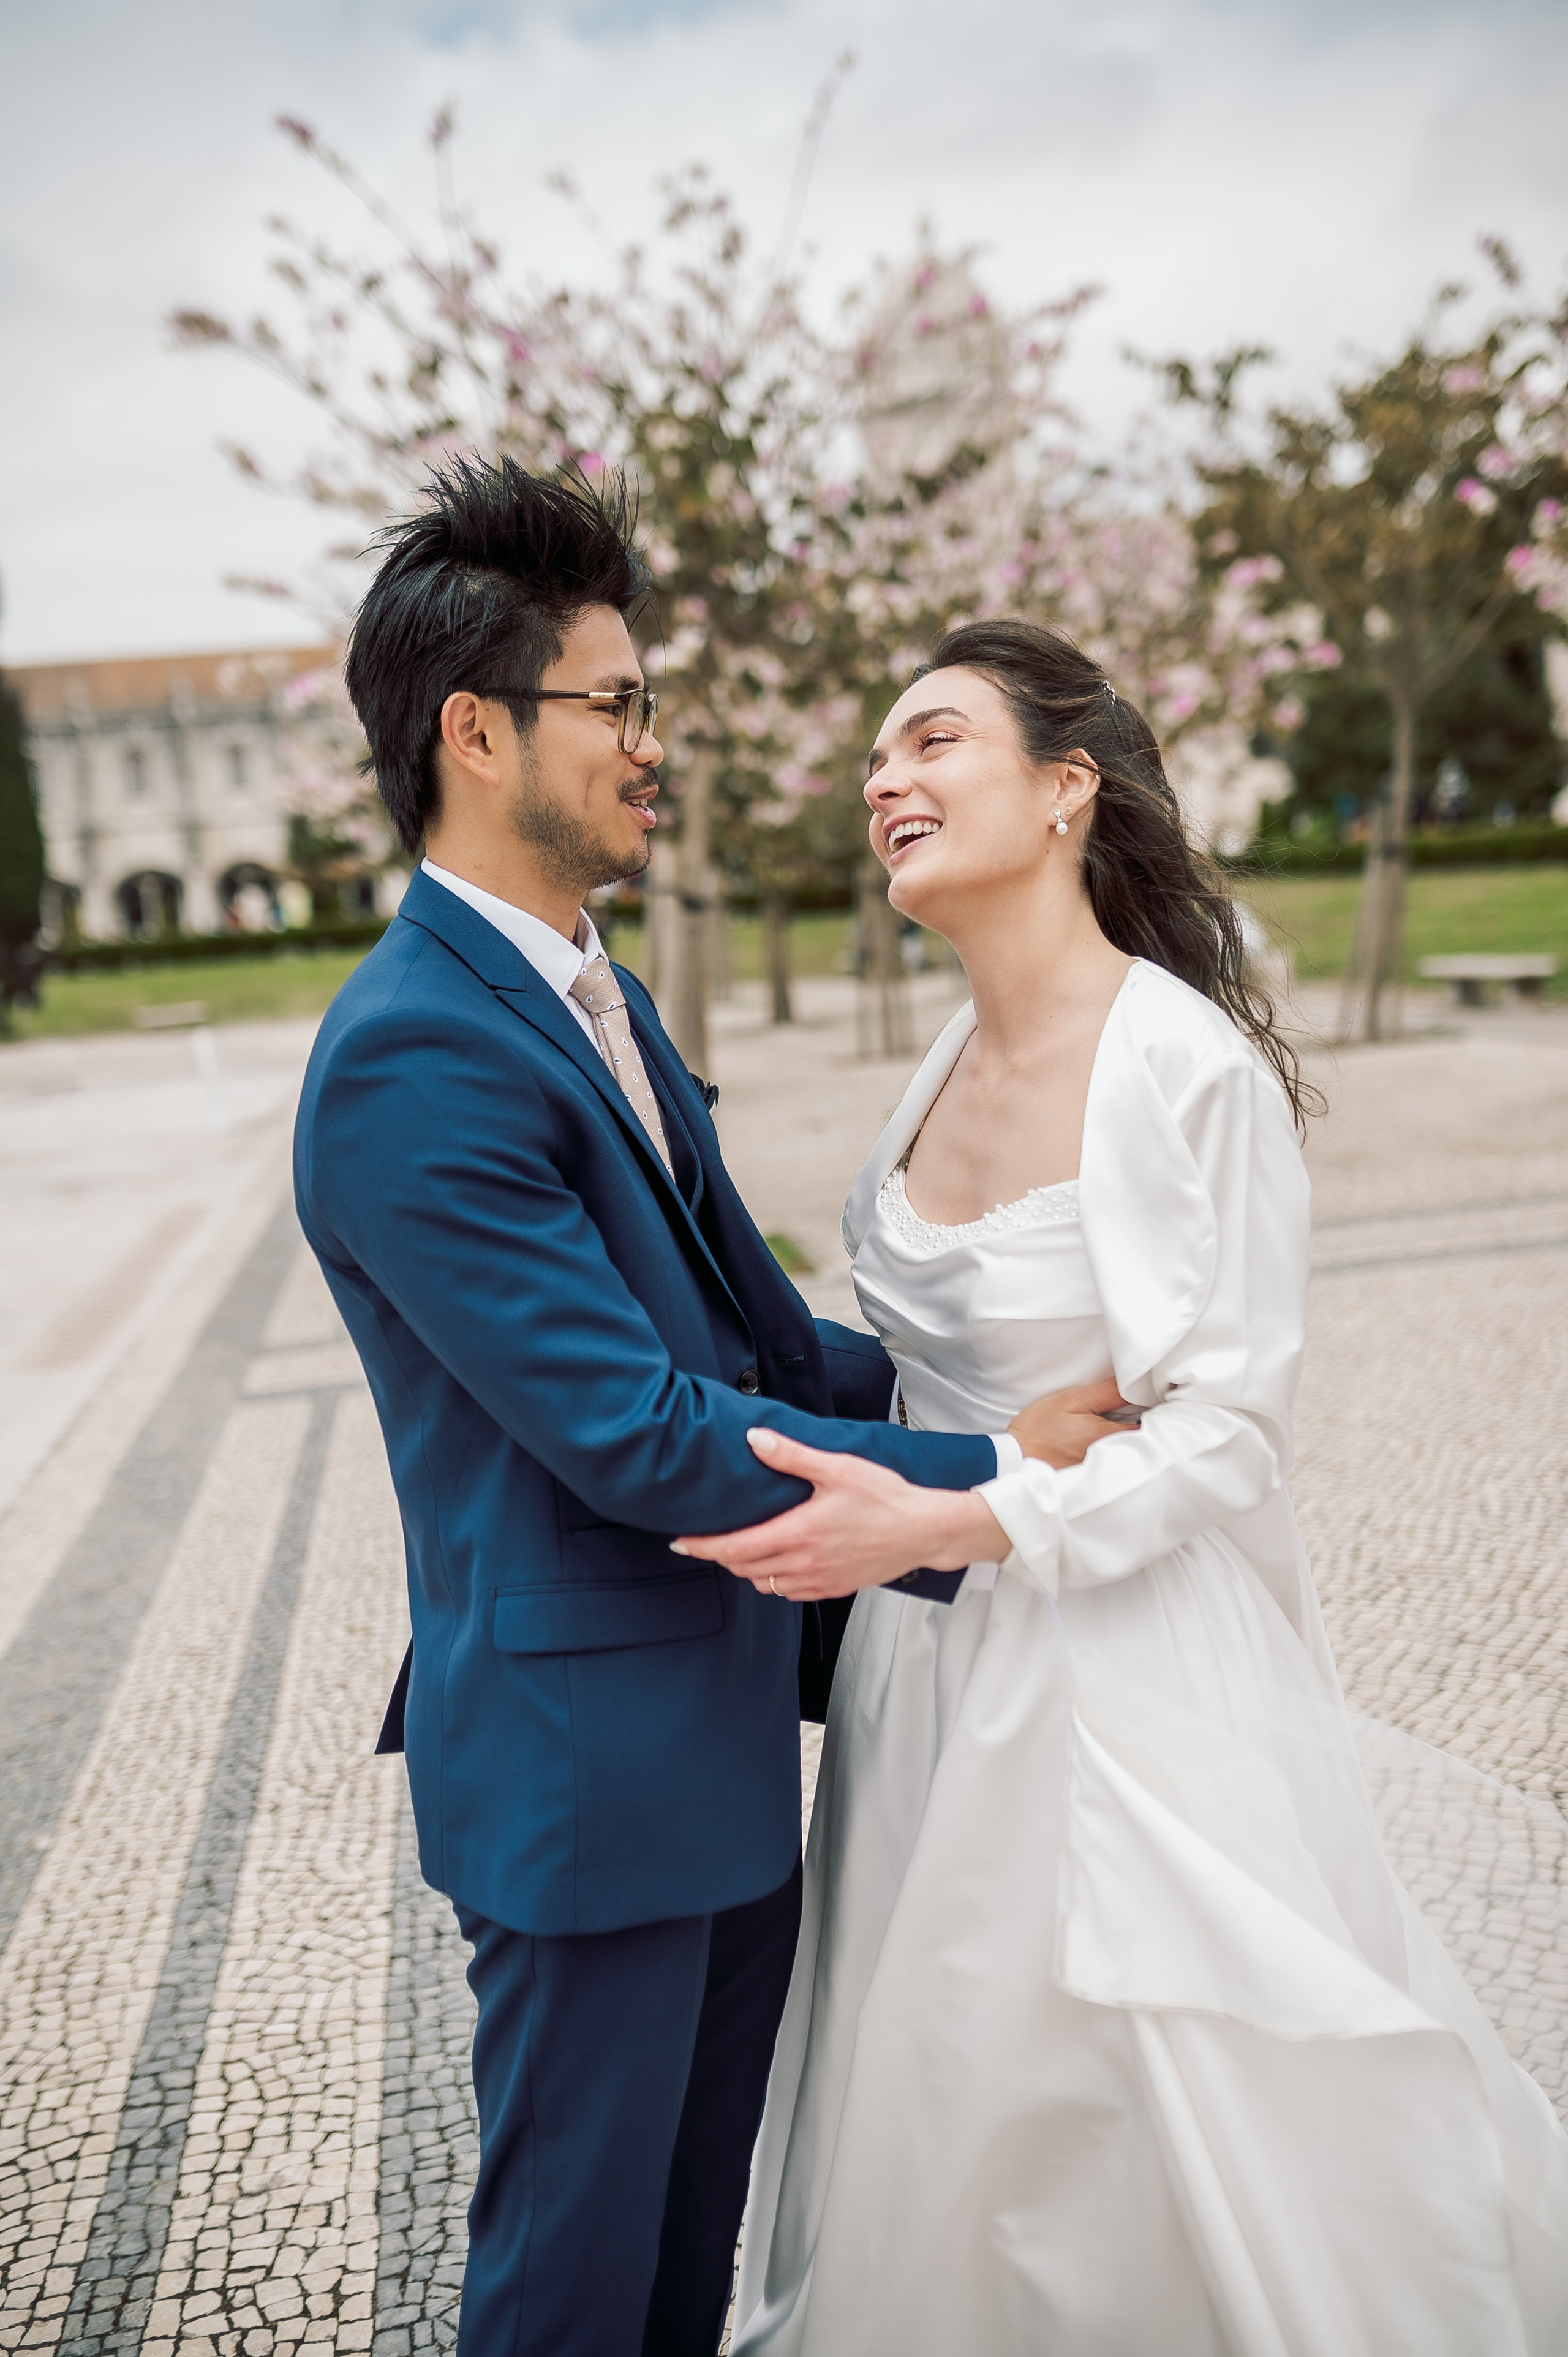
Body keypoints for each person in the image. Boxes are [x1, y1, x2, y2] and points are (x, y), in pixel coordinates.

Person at [685, 619, 1568, 2356]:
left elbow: (1225, 1434)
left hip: (1114, 1683)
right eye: (879, 755)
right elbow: (936, 1366)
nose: (885, 779)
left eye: (934, 740)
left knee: (1113, 2104)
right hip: (921, 1679)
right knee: (921, 2093)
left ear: (1069, 786)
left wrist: (962, 1515)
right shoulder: (935, 1067)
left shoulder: (1180, 1068)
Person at [292, 462, 1087, 2357]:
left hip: (715, 1752)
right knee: (570, 2289)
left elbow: (767, 1352)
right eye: (619, 703)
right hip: (586, 1781)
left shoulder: (601, 998)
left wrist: (1000, 1380)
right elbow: (644, 1432)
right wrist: (997, 1474)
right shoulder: (410, 1053)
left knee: (674, 2274)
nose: (657, 743)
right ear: (478, 733)